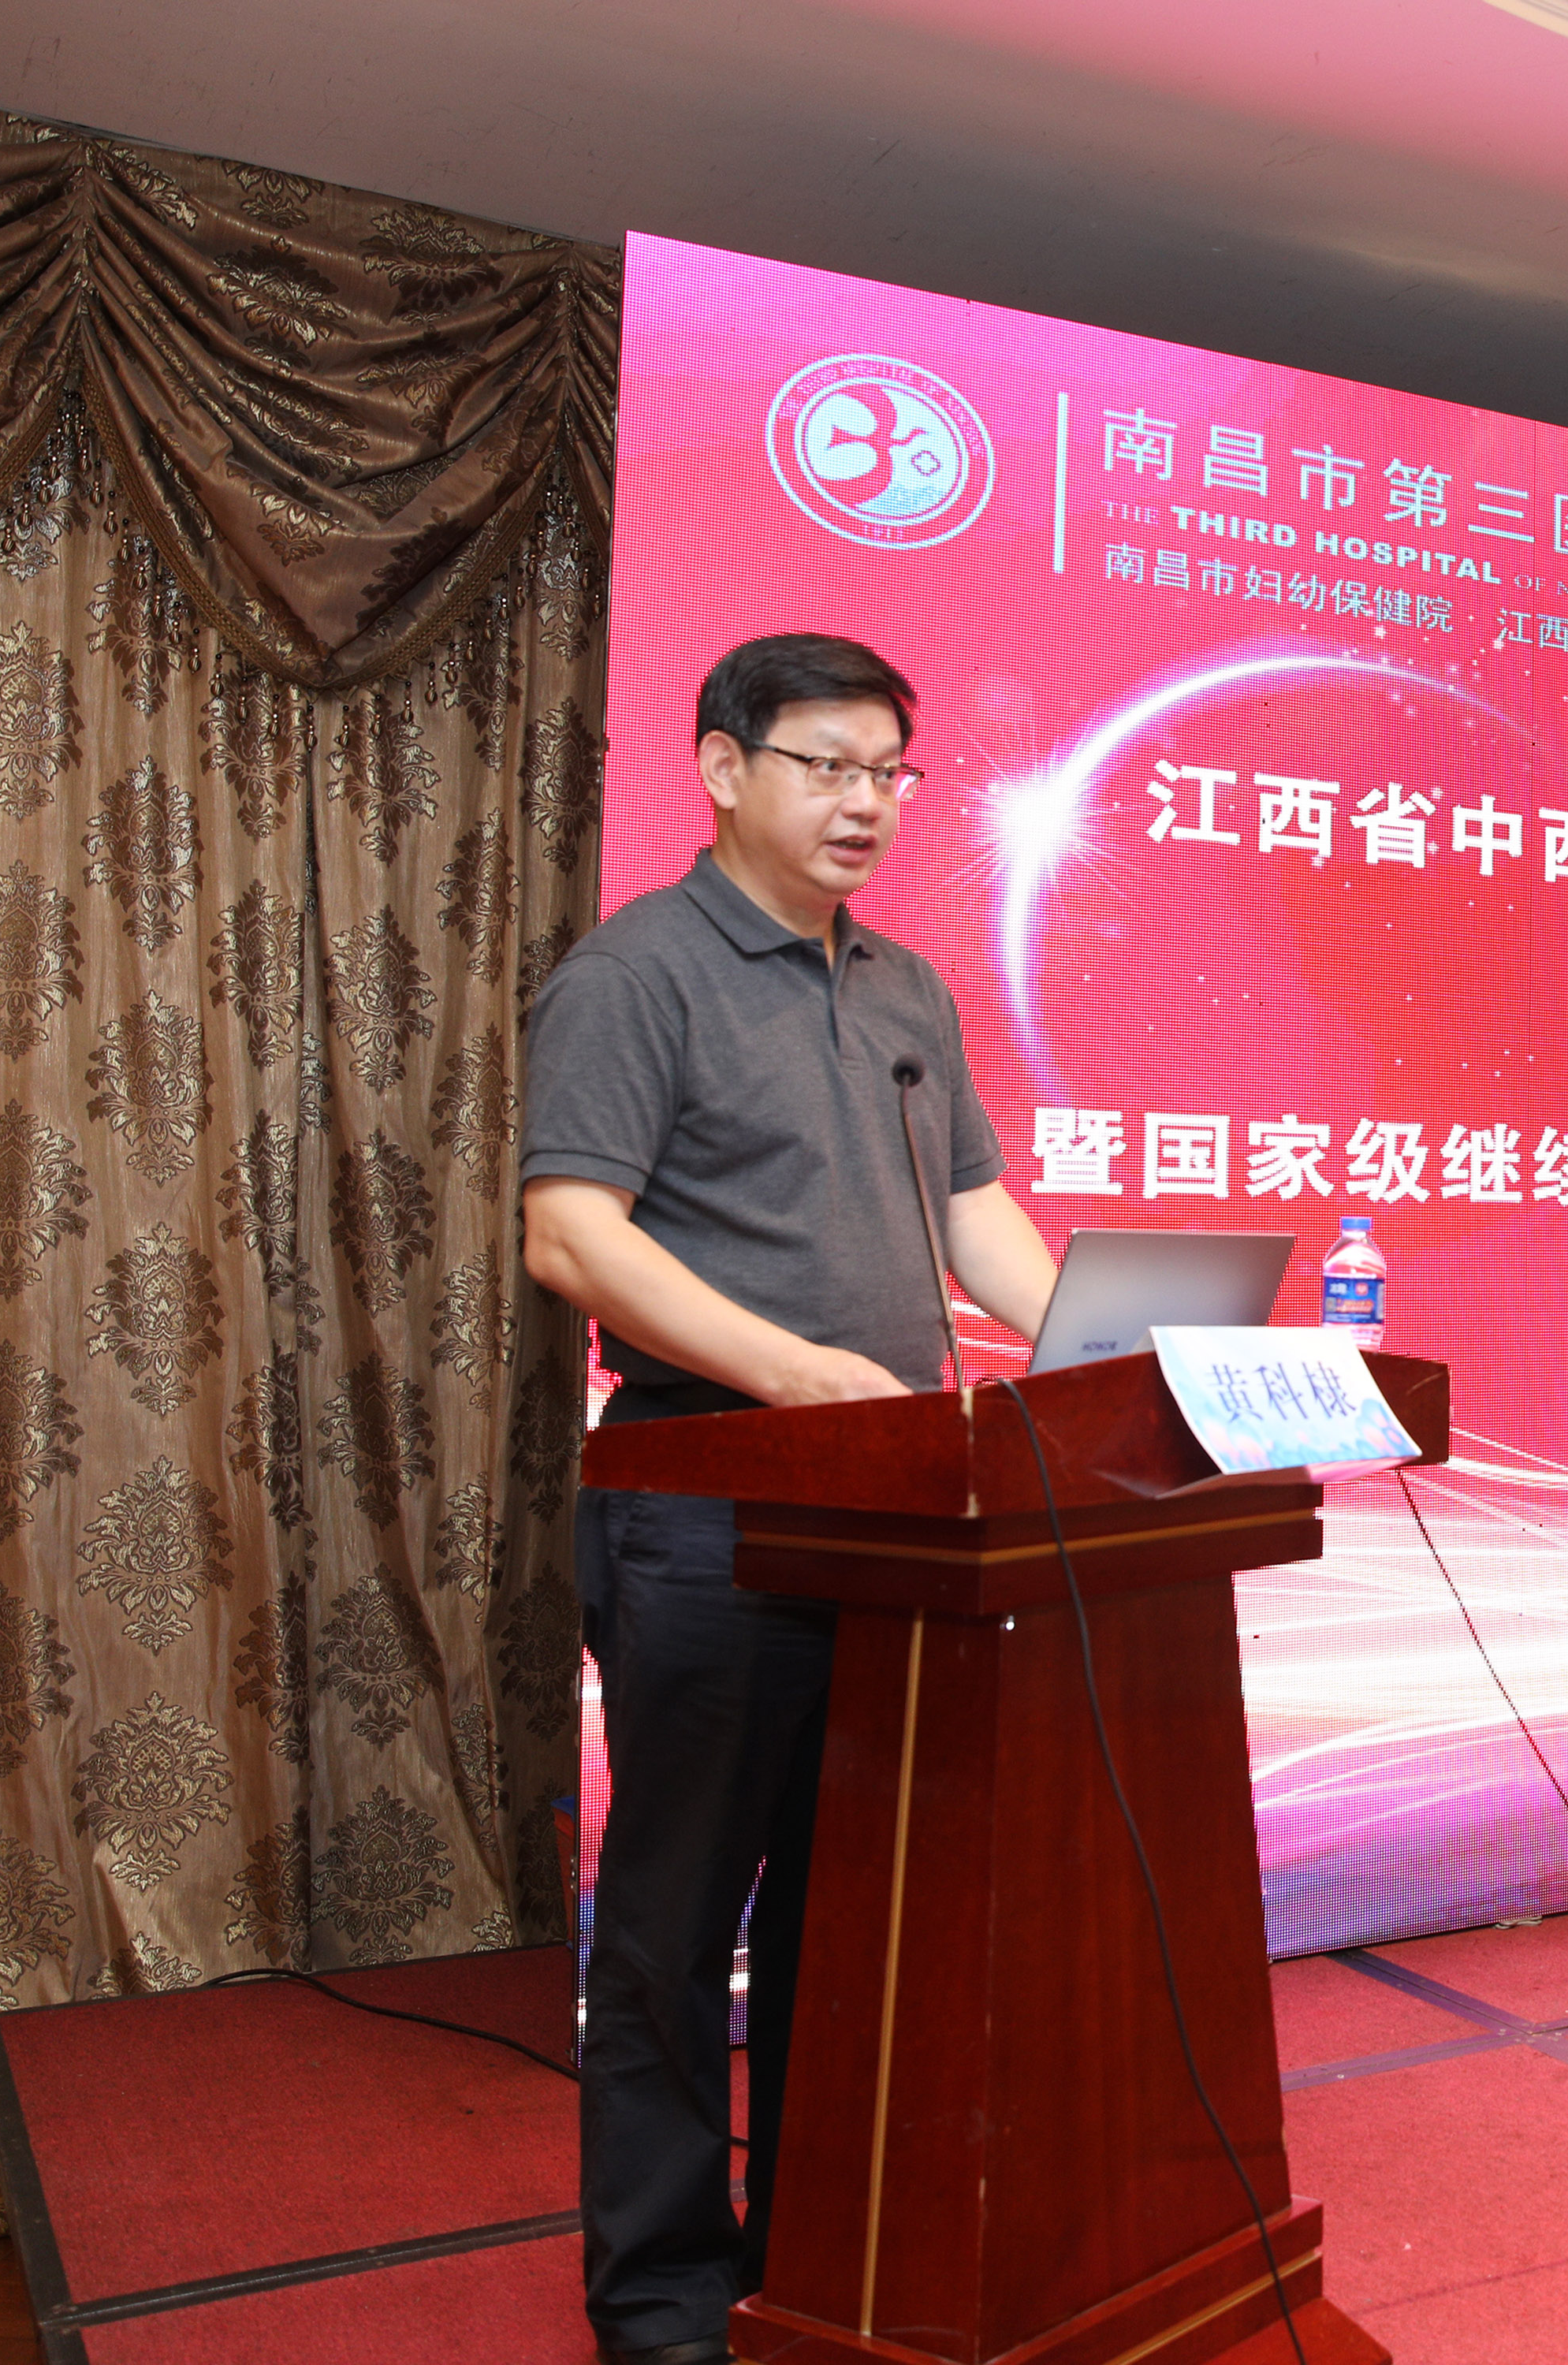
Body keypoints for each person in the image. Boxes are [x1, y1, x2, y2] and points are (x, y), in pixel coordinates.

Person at [519, 632, 1059, 2365]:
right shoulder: (636, 975)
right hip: (709, 1502)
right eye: (827, 765)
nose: (866, 803)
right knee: (675, 1926)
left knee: (853, 1914)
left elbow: (973, 1217)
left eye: (890, 772)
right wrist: (797, 1373)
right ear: (721, 767)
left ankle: (814, 2256)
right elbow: (571, 1235)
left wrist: (1113, 1349)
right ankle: (666, 2304)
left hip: (891, 1514)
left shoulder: (906, 989)